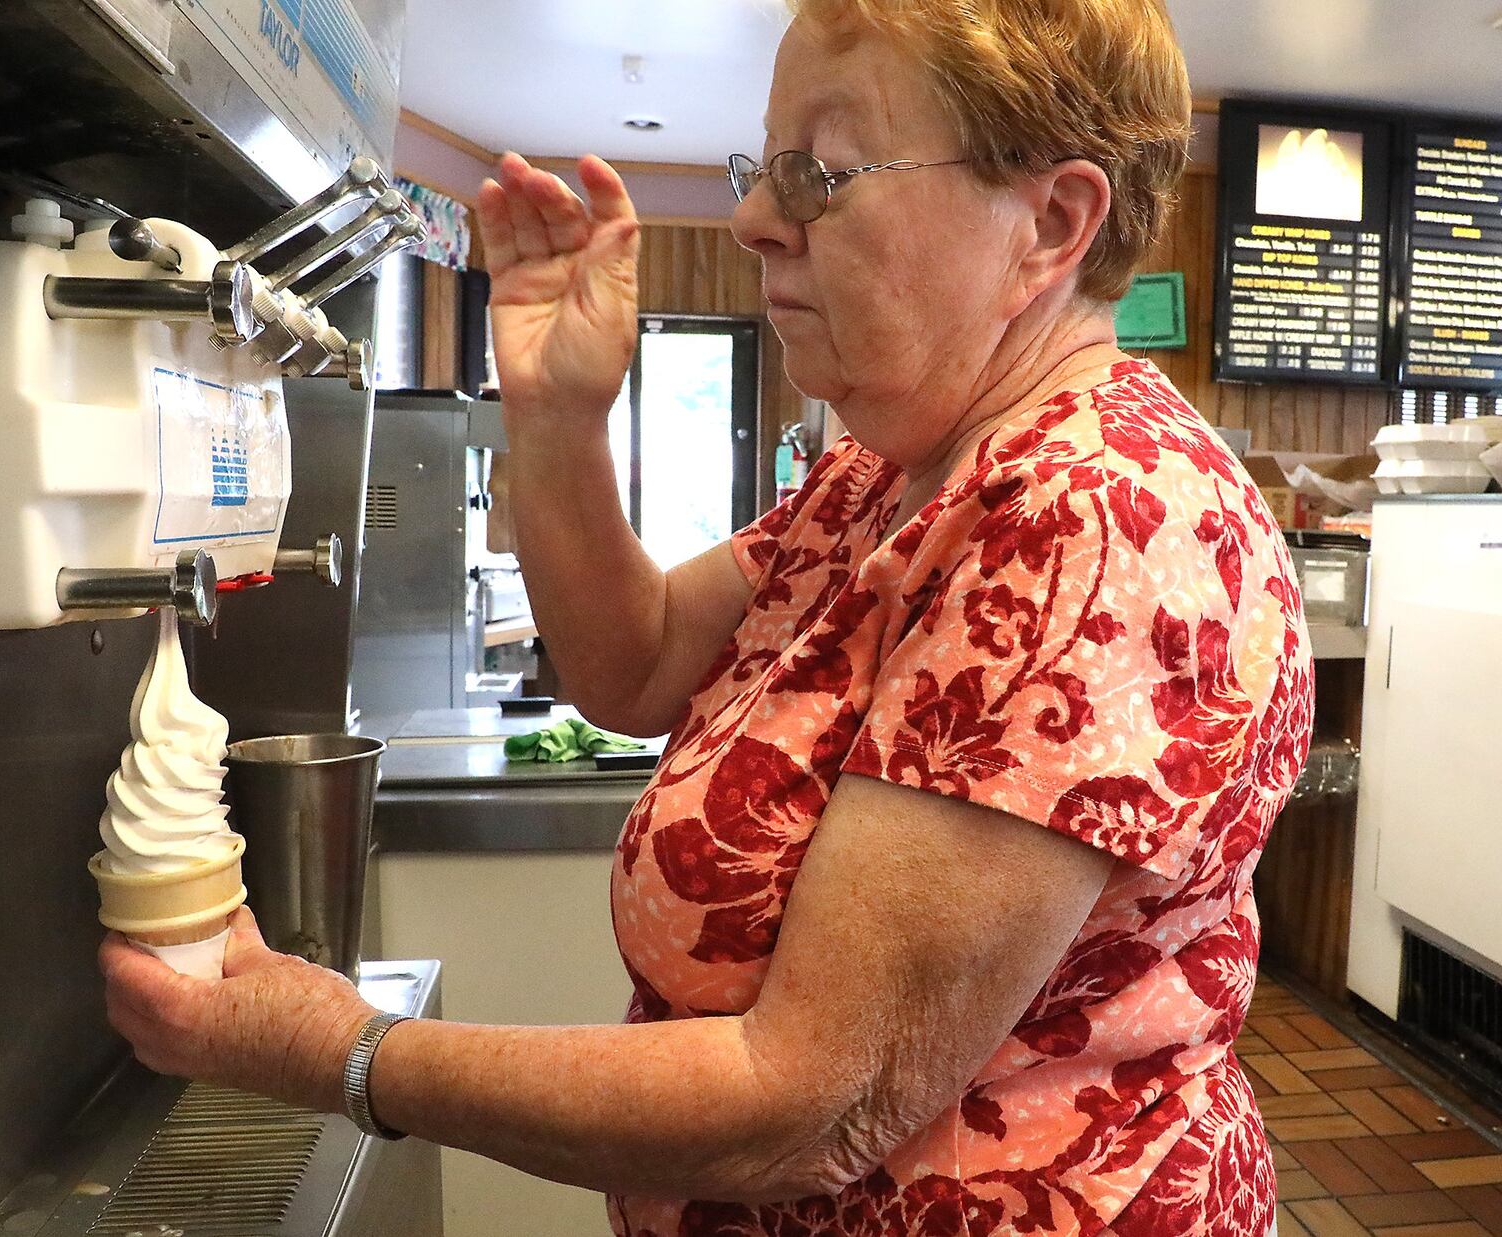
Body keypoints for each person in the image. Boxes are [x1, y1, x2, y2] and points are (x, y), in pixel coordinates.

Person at [100, 1, 1313, 1233]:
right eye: (764, 166)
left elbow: (807, 1101)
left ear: (1050, 224)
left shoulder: (1096, 520)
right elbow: (633, 666)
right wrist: (562, 418)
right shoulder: (886, 475)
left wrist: (340, 1051)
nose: (753, 220)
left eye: (821, 174)